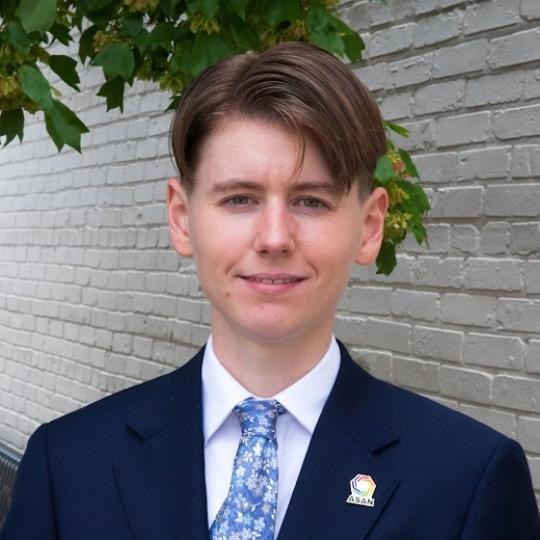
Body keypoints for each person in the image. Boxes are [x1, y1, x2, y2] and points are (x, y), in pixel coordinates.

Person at [2, 41, 539, 540]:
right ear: (183, 219)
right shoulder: (66, 463)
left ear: (370, 226)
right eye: (239, 198)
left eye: (311, 201)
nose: (275, 237)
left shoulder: (468, 480)